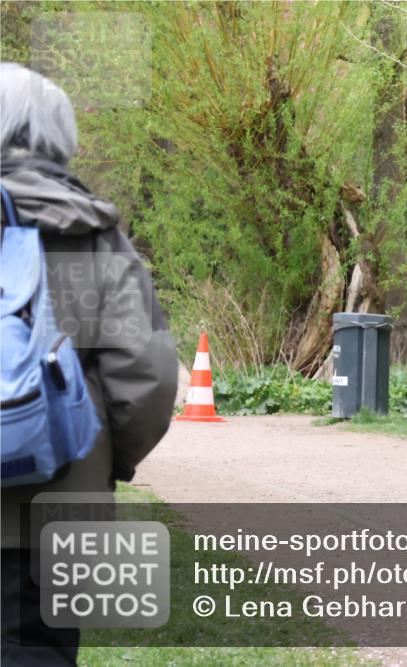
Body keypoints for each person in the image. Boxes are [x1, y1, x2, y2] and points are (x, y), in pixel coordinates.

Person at [1, 63, 178, 665]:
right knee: (39, 648)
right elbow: (147, 376)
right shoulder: (96, 235)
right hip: (61, 504)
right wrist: (103, 460)